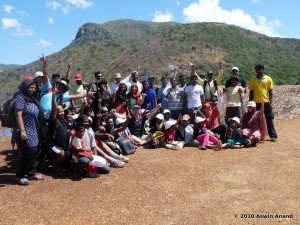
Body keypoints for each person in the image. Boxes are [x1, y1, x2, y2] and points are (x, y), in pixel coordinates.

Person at [12, 80, 46, 185]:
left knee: (34, 153)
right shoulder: (20, 98)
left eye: (34, 88)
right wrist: (22, 131)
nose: (33, 89)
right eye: (30, 87)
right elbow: (18, 115)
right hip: (25, 130)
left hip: (34, 130)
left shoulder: (32, 99)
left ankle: (31, 173)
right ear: (25, 87)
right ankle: (20, 175)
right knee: (29, 152)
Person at [248, 64, 277, 142]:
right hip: (255, 103)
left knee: (269, 119)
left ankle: (273, 135)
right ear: (255, 70)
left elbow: (270, 91)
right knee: (256, 120)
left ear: (263, 70)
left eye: (260, 69)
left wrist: (271, 103)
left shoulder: (268, 78)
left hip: (265, 102)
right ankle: (258, 135)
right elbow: (251, 92)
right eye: (257, 69)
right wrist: (250, 103)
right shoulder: (252, 80)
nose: (259, 70)